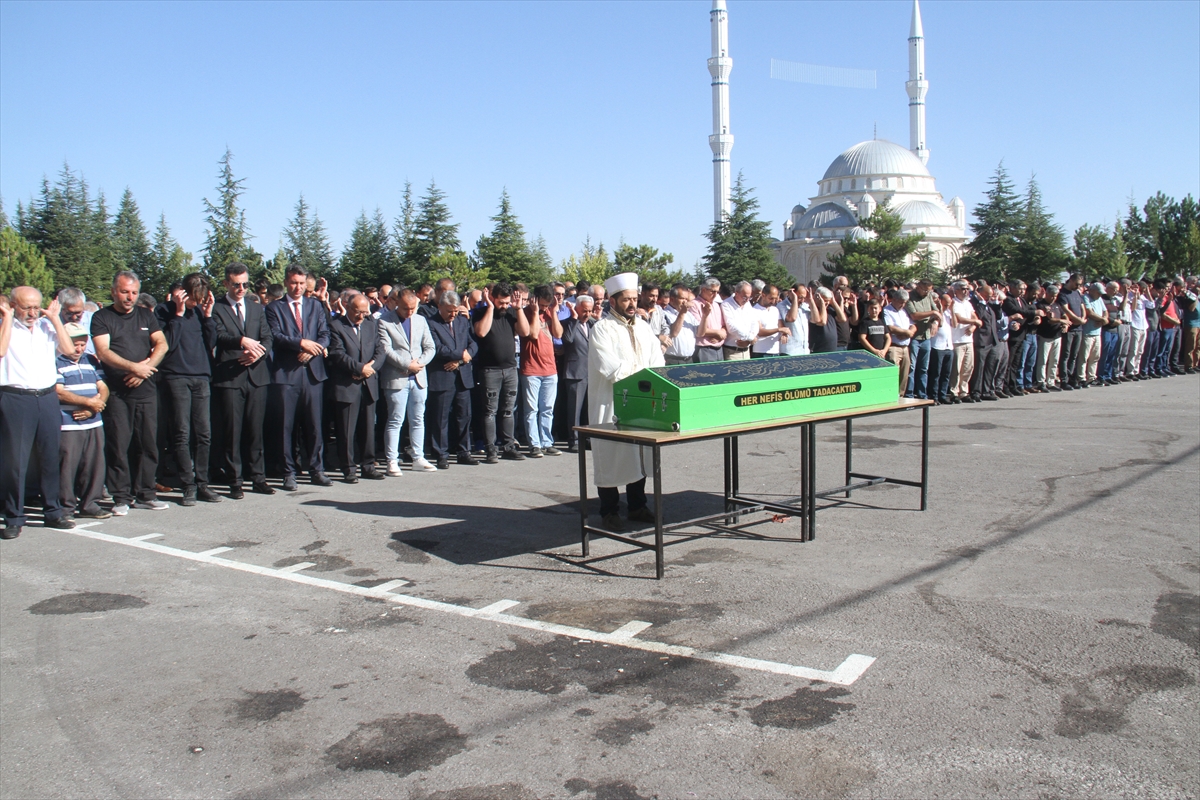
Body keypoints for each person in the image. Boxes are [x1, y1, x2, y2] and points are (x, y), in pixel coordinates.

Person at [588, 272, 665, 532]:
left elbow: (657, 361)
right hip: (611, 401)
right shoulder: (601, 329)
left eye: (634, 299)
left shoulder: (643, 327)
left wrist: (651, 381)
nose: (632, 304)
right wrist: (643, 378)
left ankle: (637, 506)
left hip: (641, 401)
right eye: (626, 300)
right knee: (610, 455)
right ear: (612, 301)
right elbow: (610, 368)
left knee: (638, 452)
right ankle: (609, 511)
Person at [91, 271, 170, 514]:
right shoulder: (102, 317)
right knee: (119, 445)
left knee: (148, 444)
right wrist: (133, 367)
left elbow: (162, 344)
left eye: (134, 292)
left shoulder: (146, 315)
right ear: (114, 291)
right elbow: (103, 351)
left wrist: (144, 369)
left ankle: (146, 494)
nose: (130, 297)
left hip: (145, 390)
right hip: (117, 393)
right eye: (125, 292)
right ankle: (121, 498)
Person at [1, 287, 76, 538]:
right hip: (16, 397)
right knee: (16, 461)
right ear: (13, 306)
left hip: (46, 397)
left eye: (36, 307)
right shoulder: (5, 327)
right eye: (26, 308)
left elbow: (69, 349)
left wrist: (54, 318)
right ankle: (14, 517)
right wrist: (7, 318)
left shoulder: (46, 327)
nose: (32, 313)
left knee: (49, 457)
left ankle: (53, 511)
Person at [156, 273, 220, 506]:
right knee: (182, 433)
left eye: (200, 299)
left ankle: (202, 483)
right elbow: (168, 345)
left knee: (204, 433)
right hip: (176, 376)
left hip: (201, 376)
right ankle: (188, 485)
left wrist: (208, 315)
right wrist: (179, 313)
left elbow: (211, 342)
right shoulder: (164, 311)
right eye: (194, 298)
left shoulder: (201, 312)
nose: (196, 302)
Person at [211, 262, 275, 499]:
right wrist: (241, 341)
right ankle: (235, 481)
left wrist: (258, 353)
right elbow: (218, 335)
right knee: (232, 432)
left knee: (256, 431)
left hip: (256, 376)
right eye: (236, 285)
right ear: (226, 283)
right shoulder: (217, 308)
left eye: (245, 284)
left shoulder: (256, 308)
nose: (241, 289)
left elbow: (267, 338)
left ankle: (258, 478)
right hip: (230, 377)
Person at [266, 265, 332, 490]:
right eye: (294, 283)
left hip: (313, 374)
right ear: (286, 282)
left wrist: (313, 349)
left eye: (302, 283)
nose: (298, 287)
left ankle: (316, 469)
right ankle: (288, 472)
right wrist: (301, 343)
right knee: (286, 426)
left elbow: (325, 334)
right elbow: (275, 335)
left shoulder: (315, 306)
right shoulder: (275, 308)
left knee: (314, 426)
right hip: (286, 375)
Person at [54, 322, 110, 520]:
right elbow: (59, 392)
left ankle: (90, 504)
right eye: (75, 344)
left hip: (94, 421)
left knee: (94, 465)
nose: (79, 349)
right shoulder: (56, 361)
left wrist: (95, 406)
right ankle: (65, 507)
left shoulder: (90, 360)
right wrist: (88, 403)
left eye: (82, 344)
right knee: (67, 466)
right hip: (68, 423)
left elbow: (103, 387)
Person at [328, 294, 387, 482]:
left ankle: (368, 465)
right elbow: (337, 354)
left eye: (364, 312)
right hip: (347, 385)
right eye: (357, 312)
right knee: (346, 431)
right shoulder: (336, 326)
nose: (361, 316)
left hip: (368, 384)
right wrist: (359, 368)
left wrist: (370, 369)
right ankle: (348, 468)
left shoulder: (371, 325)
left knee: (368, 429)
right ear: (347, 307)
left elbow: (380, 351)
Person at [378, 288, 437, 475]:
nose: (409, 312)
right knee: (396, 420)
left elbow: (430, 347)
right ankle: (392, 460)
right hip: (396, 378)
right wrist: (406, 365)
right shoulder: (384, 321)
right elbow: (386, 350)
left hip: (418, 378)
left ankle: (418, 457)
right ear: (397, 304)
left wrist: (419, 363)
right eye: (405, 308)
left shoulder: (420, 320)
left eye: (412, 308)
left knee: (418, 419)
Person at [472, 282, 527, 463]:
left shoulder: (511, 312)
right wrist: (489, 307)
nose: (504, 306)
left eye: (506, 302)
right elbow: (481, 332)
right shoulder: (481, 312)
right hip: (490, 370)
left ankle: (509, 446)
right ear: (493, 298)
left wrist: (518, 309)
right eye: (500, 302)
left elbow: (525, 331)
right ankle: (491, 449)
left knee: (508, 410)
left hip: (510, 368)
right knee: (490, 411)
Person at [426, 290, 478, 468]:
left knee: (464, 416)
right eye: (449, 311)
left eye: (455, 310)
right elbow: (437, 348)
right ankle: (441, 453)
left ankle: (464, 451)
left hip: (462, 375)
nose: (453, 314)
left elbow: (473, 343)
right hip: (442, 376)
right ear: (440, 306)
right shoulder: (431, 323)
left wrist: (463, 358)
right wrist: (460, 355)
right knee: (441, 418)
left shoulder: (462, 321)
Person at [520, 285, 563, 457]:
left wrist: (553, 313)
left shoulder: (550, 313)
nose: (545, 308)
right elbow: (533, 334)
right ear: (535, 299)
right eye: (542, 304)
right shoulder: (525, 313)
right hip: (531, 369)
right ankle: (534, 445)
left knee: (547, 409)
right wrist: (535, 312)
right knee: (531, 410)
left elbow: (558, 334)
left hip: (550, 369)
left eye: (547, 304)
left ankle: (547, 442)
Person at [558, 294, 593, 453]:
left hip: (591, 372)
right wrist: (573, 319)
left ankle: (588, 439)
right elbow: (568, 340)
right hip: (575, 372)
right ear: (576, 308)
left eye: (590, 311)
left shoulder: (592, 324)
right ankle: (574, 440)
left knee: (588, 409)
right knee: (575, 410)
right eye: (584, 310)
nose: (587, 314)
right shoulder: (568, 323)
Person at [904, 279, 938, 399]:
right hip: (914, 337)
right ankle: (909, 393)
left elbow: (936, 312)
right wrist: (932, 313)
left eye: (929, 291)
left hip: (926, 336)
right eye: (925, 290)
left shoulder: (928, 296)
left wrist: (935, 322)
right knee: (912, 367)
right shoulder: (909, 297)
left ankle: (922, 393)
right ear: (918, 287)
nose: (927, 293)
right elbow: (914, 315)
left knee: (924, 368)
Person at [968, 283, 1000, 401]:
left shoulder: (989, 305)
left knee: (990, 367)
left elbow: (998, 316)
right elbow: (978, 317)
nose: (989, 298)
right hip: (981, 340)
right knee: (979, 368)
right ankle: (976, 391)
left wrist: (996, 303)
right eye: (987, 295)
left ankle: (986, 391)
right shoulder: (975, 303)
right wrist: (981, 302)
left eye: (990, 296)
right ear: (980, 293)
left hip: (992, 340)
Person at [1035, 283, 1069, 392]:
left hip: (1057, 336)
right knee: (1043, 361)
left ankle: (1051, 381)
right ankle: (1041, 382)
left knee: (1054, 360)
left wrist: (1065, 324)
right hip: (1045, 336)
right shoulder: (1041, 305)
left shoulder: (1057, 304)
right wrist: (1062, 321)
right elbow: (1050, 320)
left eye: (1055, 296)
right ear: (1047, 294)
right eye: (1052, 296)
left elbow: (1064, 315)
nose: (1054, 298)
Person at [949, 281, 979, 401]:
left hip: (968, 340)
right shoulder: (954, 303)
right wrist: (975, 322)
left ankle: (964, 391)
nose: (966, 291)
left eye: (967, 289)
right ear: (956, 290)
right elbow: (959, 319)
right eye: (963, 289)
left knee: (968, 367)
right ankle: (954, 391)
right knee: (956, 368)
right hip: (957, 340)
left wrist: (973, 326)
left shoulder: (968, 303)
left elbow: (975, 317)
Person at [883, 289, 915, 396]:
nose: (903, 305)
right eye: (901, 302)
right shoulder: (887, 310)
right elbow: (890, 327)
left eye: (904, 302)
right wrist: (905, 332)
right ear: (895, 299)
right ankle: (891, 393)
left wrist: (909, 332)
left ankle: (900, 394)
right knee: (894, 372)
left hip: (905, 347)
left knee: (904, 373)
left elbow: (913, 325)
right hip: (894, 347)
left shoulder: (903, 311)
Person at [721, 281, 760, 361]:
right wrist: (751, 338)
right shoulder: (726, 304)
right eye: (745, 297)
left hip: (746, 351)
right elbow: (732, 327)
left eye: (750, 297)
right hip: (732, 352)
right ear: (736, 293)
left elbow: (754, 322)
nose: (747, 300)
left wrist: (750, 339)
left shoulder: (747, 304)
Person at [1079, 282, 1108, 387]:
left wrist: (1104, 319)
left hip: (1097, 333)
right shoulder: (1085, 297)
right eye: (1098, 292)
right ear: (1092, 290)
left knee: (1095, 357)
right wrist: (1103, 320)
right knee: (1084, 357)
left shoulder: (1099, 299)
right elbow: (1089, 312)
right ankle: (1081, 378)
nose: (1100, 295)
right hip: (1087, 332)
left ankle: (1091, 377)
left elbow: (1105, 311)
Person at [661, 286, 699, 365]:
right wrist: (682, 313)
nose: (685, 302)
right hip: (673, 360)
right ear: (672, 299)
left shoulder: (689, 315)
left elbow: (700, 333)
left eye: (686, 299)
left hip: (689, 360)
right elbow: (674, 333)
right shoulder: (664, 314)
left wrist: (705, 315)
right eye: (682, 298)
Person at [693, 278, 727, 362]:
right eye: (713, 291)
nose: (715, 295)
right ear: (704, 290)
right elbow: (698, 329)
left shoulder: (716, 305)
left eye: (717, 292)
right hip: (704, 349)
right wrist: (717, 333)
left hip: (719, 348)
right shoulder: (694, 305)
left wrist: (721, 335)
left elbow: (723, 325)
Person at [751, 285, 789, 358]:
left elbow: (781, 326)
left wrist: (784, 333)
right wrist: (779, 330)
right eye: (771, 298)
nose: (773, 301)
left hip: (775, 351)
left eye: (775, 298)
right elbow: (760, 331)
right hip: (760, 352)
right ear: (763, 295)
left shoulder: (775, 310)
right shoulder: (754, 310)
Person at [780, 284, 810, 356]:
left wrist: (810, 299)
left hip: (804, 350)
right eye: (800, 297)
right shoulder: (782, 305)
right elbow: (791, 318)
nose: (802, 300)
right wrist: (795, 299)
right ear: (791, 293)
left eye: (804, 298)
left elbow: (816, 320)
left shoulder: (804, 306)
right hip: (790, 351)